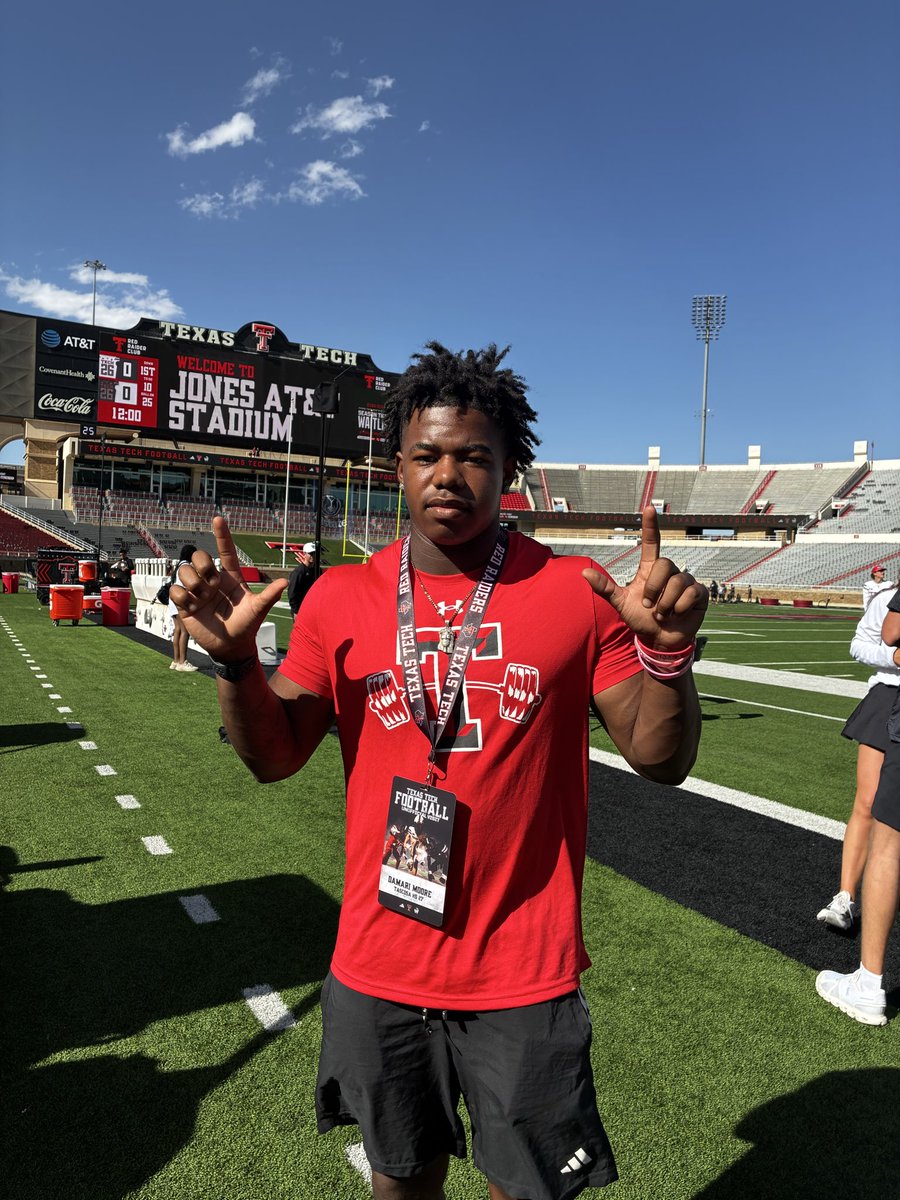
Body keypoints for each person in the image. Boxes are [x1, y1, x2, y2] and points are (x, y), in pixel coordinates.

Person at [170, 341, 707, 1199]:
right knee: (398, 1182)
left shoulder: (577, 589)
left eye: (474, 457)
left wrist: (668, 657)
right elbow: (274, 758)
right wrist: (237, 665)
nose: (448, 474)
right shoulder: (341, 596)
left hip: (522, 968)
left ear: (509, 472)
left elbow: (659, 757)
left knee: (526, 1189)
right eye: (427, 454)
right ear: (398, 464)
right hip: (378, 961)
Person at [817, 588, 900, 1026]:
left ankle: (868, 977)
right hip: (887, 698)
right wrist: (895, 660)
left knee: (889, 831)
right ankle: (846, 896)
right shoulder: (886, 597)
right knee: (867, 808)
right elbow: (861, 642)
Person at [168, 543, 198, 672]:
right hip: (180, 599)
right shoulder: (186, 566)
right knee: (184, 631)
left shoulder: (178, 566)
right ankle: (182, 661)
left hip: (173, 600)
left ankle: (176, 660)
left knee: (178, 631)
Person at [287, 542, 318, 618]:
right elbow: (292, 593)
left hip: (312, 608)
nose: (313, 556)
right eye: (310, 553)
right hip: (300, 609)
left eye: (314, 553)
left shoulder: (317, 570)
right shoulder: (298, 572)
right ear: (304, 554)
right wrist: (295, 611)